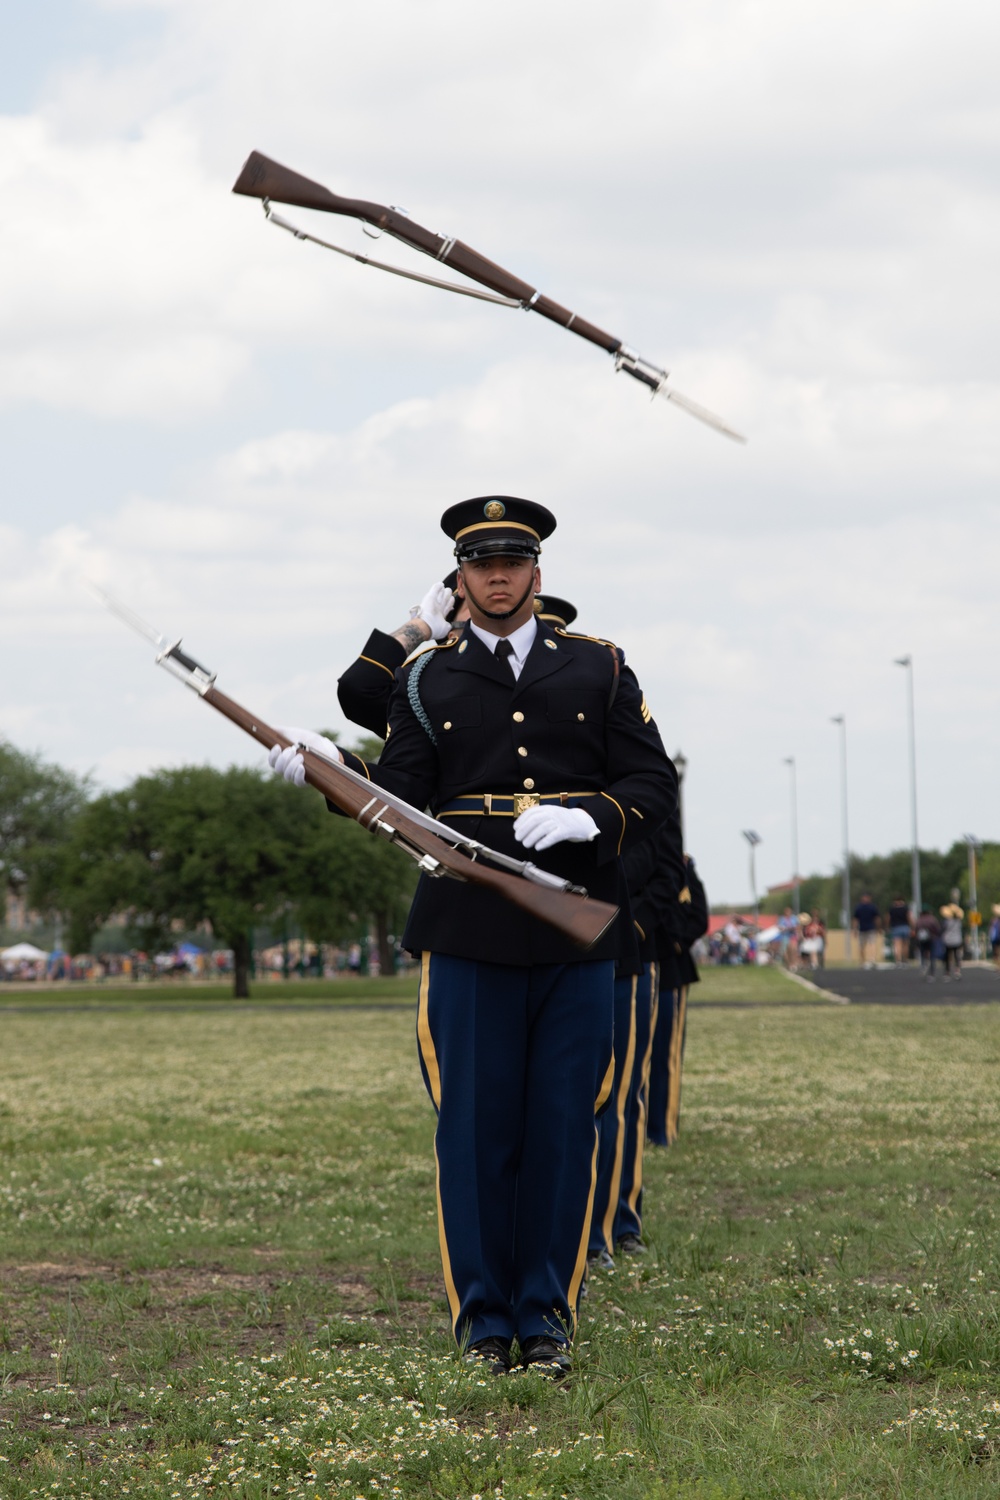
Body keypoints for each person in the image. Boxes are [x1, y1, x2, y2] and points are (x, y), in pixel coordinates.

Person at [270, 495, 676, 1377]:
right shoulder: (427, 678)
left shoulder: (600, 669)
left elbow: (652, 785)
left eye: (513, 561)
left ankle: (547, 1321)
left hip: (574, 926)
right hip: (465, 926)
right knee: (475, 1131)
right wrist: (328, 770)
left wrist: (590, 817)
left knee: (564, 1128)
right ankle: (484, 1325)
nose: (497, 576)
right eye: (481, 564)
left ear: (538, 572)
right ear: (459, 577)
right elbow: (402, 796)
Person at [588, 813, 683, 1269]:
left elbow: (668, 876)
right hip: (564, 949)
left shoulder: (643, 780)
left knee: (620, 1099)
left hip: (627, 958)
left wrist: (626, 930)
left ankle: (615, 1226)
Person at [647, 853, 708, 1148]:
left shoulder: (680, 866)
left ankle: (663, 1128)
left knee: (665, 1056)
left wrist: (674, 942)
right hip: (639, 962)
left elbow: (698, 917)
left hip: (671, 969)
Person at [939, 893, 964, 981]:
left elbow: (942, 930)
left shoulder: (946, 921)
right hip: (957, 939)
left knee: (947, 956)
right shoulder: (958, 921)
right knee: (957, 956)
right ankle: (957, 971)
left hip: (948, 940)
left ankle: (947, 972)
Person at [853, 893, 881, 968]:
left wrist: (878, 928)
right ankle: (865, 960)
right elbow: (856, 920)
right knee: (865, 945)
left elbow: (876, 919)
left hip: (869, 928)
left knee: (869, 944)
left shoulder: (860, 907)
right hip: (864, 929)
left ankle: (870, 960)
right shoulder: (871, 907)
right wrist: (855, 929)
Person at [914, 907, 941, 979]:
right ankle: (932, 973)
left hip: (921, 939)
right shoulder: (932, 919)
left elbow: (916, 930)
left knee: (923, 953)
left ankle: (924, 965)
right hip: (931, 939)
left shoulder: (919, 920)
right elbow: (937, 929)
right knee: (932, 956)